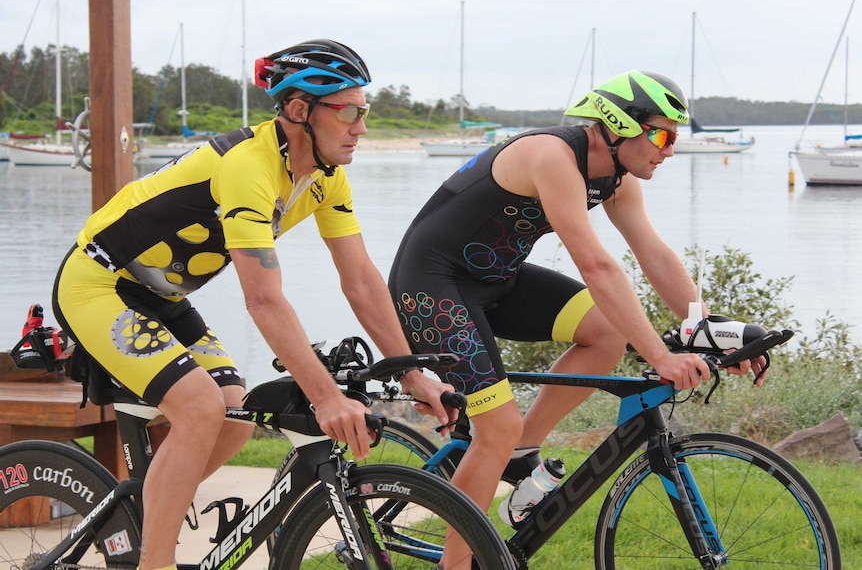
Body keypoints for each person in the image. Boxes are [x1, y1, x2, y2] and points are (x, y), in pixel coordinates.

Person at [52, 39, 455, 570]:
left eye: (365, 111)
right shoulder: (249, 167)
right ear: (298, 111)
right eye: (350, 111)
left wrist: (414, 375)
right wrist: (325, 397)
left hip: (159, 297)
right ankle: (155, 561)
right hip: (98, 283)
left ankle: (152, 512)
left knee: (236, 415)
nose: (361, 126)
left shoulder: (325, 178)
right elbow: (262, 298)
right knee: (198, 408)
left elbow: (359, 280)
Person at [388, 70, 766, 569]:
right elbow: (596, 264)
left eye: (675, 137)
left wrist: (702, 329)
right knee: (493, 428)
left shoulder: (616, 178)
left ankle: (522, 448)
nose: (670, 149)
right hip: (432, 285)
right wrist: (659, 355)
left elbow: (653, 253)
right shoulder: (552, 155)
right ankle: (456, 565)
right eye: (661, 134)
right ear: (617, 125)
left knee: (604, 332)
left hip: (496, 279)